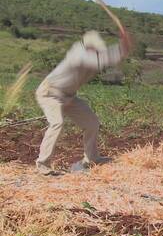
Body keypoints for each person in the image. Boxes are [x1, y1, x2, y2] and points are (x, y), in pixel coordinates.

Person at [35, 30, 130, 175]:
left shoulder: (93, 54)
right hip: (50, 93)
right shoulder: (77, 54)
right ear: (89, 47)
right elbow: (101, 60)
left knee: (92, 123)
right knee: (57, 123)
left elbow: (107, 56)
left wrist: (122, 47)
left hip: (69, 96)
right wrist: (121, 49)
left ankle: (91, 158)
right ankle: (42, 164)